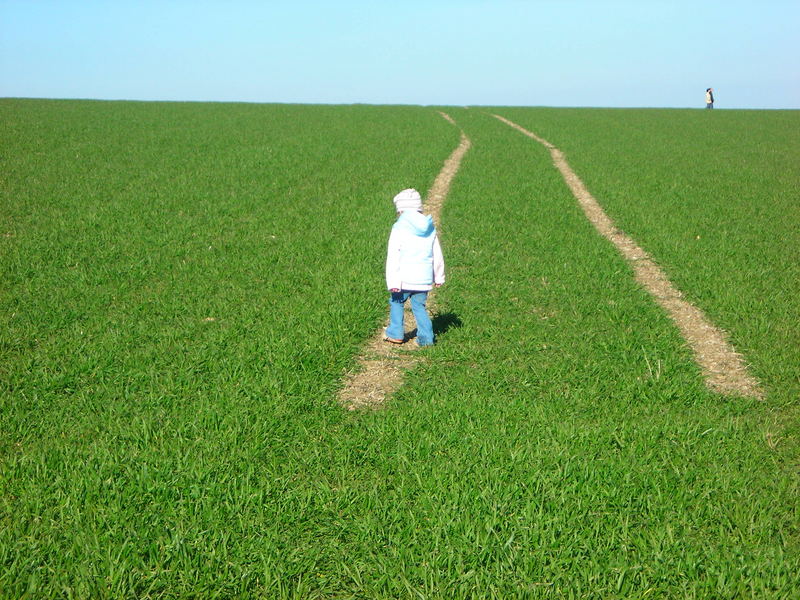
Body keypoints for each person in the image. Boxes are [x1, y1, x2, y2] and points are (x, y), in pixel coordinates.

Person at [384, 188, 445, 347]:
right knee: (419, 307)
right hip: (423, 279)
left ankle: (395, 333)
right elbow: (436, 253)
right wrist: (439, 276)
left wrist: (393, 282)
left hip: (403, 278)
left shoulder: (398, 227)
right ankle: (426, 339)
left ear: (401, 209)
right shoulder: (429, 227)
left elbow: (393, 256)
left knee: (397, 302)